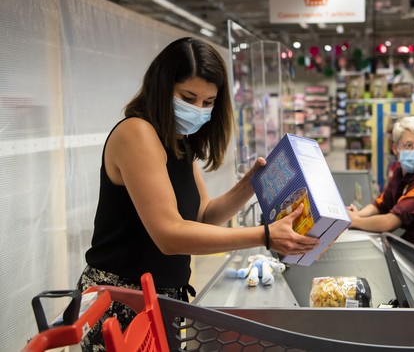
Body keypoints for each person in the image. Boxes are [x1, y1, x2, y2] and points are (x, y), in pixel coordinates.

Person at [77, 37, 319, 351]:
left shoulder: (179, 141)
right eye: (188, 97)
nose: (198, 110)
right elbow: (169, 235)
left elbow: (204, 216)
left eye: (208, 102)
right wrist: (265, 235)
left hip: (162, 299)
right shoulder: (136, 133)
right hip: (122, 304)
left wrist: (250, 184)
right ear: (161, 88)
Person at [346, 116, 414, 252]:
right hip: (411, 244)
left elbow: (390, 222)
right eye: (408, 145)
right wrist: (358, 214)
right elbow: (380, 205)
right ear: (395, 149)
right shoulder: (401, 172)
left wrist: (354, 221)